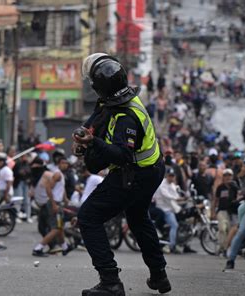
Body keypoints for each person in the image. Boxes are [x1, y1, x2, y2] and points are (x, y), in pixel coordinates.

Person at [73, 53, 170, 295]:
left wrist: (93, 141)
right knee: (138, 217)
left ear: (99, 86)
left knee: (88, 216)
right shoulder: (113, 99)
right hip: (152, 168)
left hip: (137, 173)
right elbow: (94, 121)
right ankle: (159, 275)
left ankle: (110, 281)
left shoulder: (125, 115)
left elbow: (121, 155)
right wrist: (84, 137)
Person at [32, 156, 72, 257]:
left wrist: (65, 199)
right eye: (63, 163)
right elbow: (48, 188)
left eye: (66, 163)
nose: (65, 165)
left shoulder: (61, 174)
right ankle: (38, 248)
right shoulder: (57, 174)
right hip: (55, 203)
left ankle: (64, 247)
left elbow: (61, 188)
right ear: (59, 164)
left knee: (60, 226)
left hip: (58, 203)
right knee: (56, 228)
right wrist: (54, 204)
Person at [153, 169, 183, 253]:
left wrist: (184, 198)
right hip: (165, 209)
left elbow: (176, 194)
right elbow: (167, 195)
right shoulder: (162, 184)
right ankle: (172, 245)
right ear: (167, 176)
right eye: (170, 176)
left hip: (171, 208)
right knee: (174, 225)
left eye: (173, 176)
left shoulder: (172, 185)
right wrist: (178, 198)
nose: (171, 177)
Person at [211, 169, 239, 256]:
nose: (228, 177)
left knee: (231, 230)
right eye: (226, 175)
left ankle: (226, 248)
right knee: (222, 228)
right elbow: (215, 200)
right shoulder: (220, 187)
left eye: (229, 175)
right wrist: (213, 212)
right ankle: (222, 247)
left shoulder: (235, 187)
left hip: (232, 211)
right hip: (222, 211)